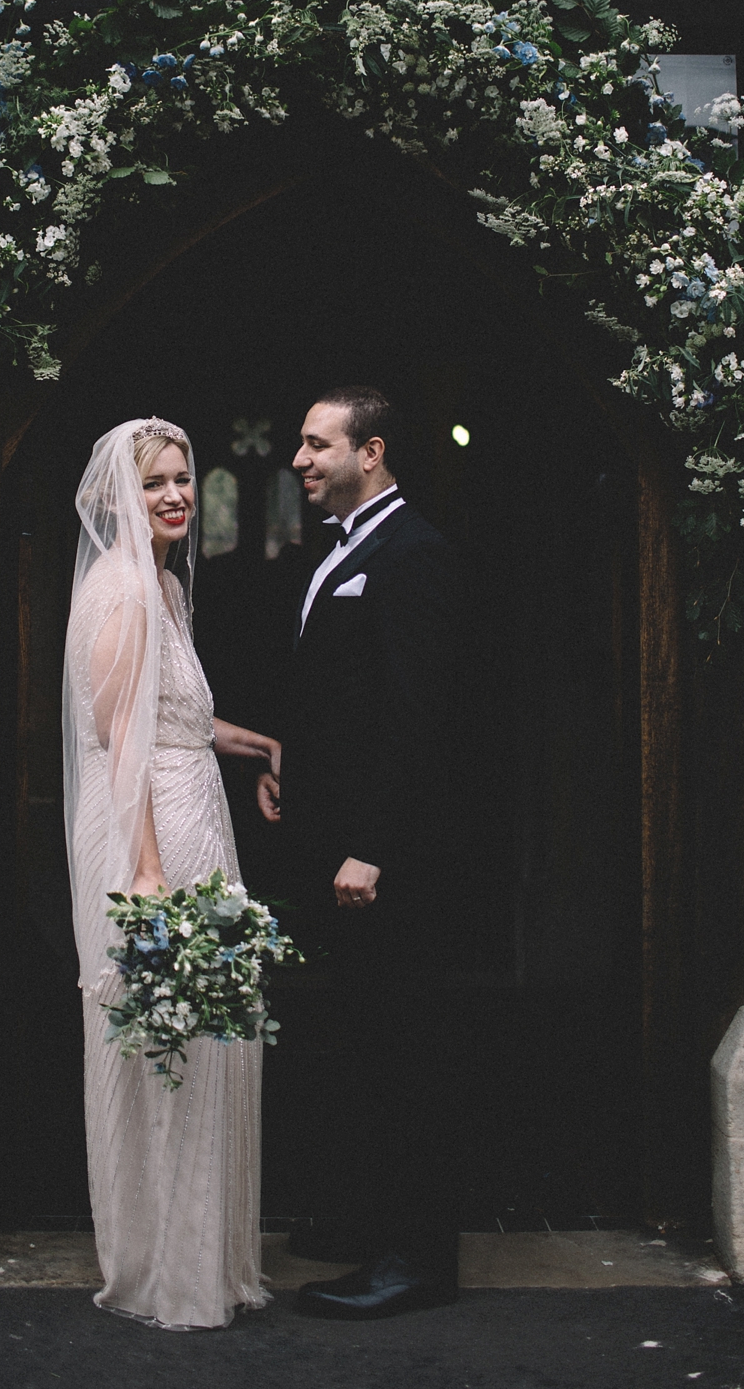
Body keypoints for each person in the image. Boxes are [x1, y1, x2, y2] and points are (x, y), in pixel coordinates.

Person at [63, 416, 282, 1330]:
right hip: (148, 835)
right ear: (121, 494)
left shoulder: (167, 587)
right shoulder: (120, 589)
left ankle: (212, 1259)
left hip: (199, 816)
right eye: (156, 483)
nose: (176, 495)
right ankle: (166, 1271)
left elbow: (183, 718)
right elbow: (124, 746)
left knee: (209, 1039)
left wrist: (263, 744)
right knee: (165, 1047)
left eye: (184, 479)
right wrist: (147, 874)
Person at [258, 386, 464, 1320]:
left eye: (316, 445)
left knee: (403, 1050)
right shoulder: (338, 550)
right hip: (331, 842)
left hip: (388, 863)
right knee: (355, 1039)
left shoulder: (413, 553)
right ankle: (364, 1220)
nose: (299, 460)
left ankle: (417, 1259)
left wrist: (373, 849)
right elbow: (343, 697)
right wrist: (290, 772)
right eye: (301, 446)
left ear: (369, 452)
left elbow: (425, 720)